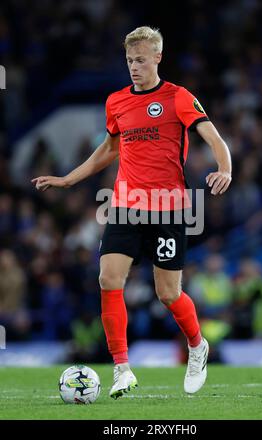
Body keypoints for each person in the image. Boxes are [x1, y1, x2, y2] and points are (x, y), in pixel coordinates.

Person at [32, 26, 232, 399]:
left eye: (140, 60)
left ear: (157, 57)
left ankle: (197, 345)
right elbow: (109, 149)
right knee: (109, 280)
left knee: (168, 294)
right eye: (129, 61)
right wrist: (69, 179)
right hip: (124, 205)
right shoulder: (117, 102)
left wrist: (225, 169)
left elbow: (215, 139)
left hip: (169, 208)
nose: (134, 67)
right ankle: (121, 369)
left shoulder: (178, 97)